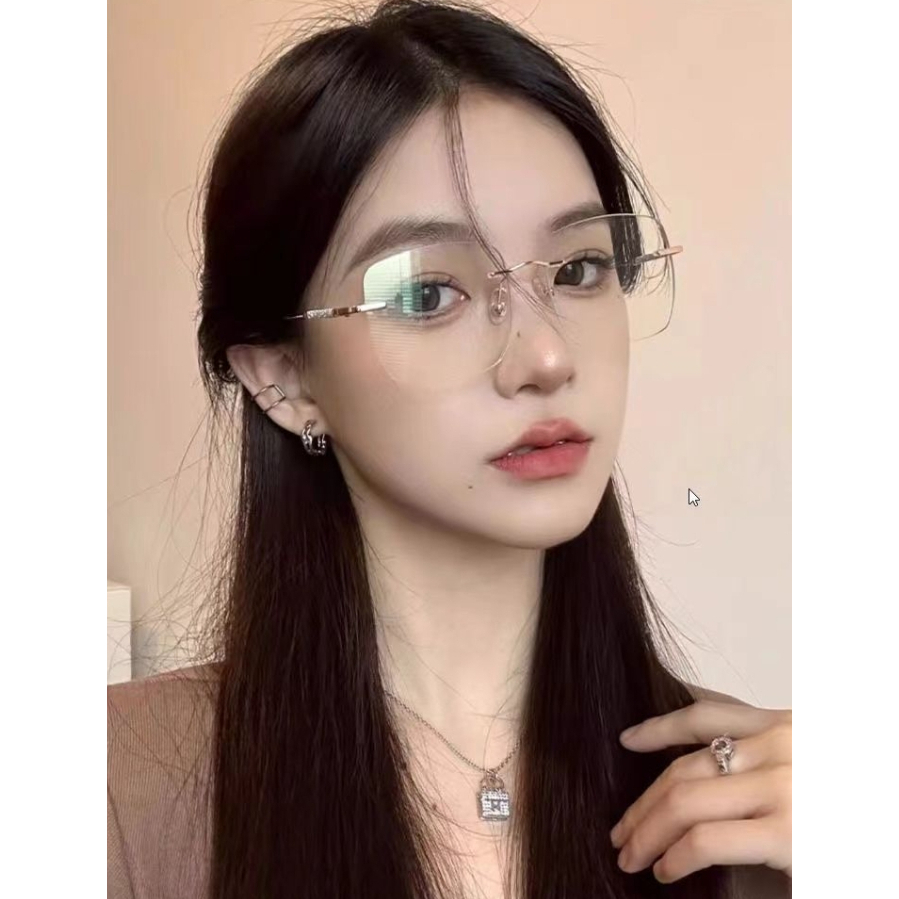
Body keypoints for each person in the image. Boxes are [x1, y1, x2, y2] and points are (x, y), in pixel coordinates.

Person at [107, 2, 792, 897]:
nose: (547, 357)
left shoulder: (750, 817)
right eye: (428, 293)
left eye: (579, 269)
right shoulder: (115, 792)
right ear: (283, 377)